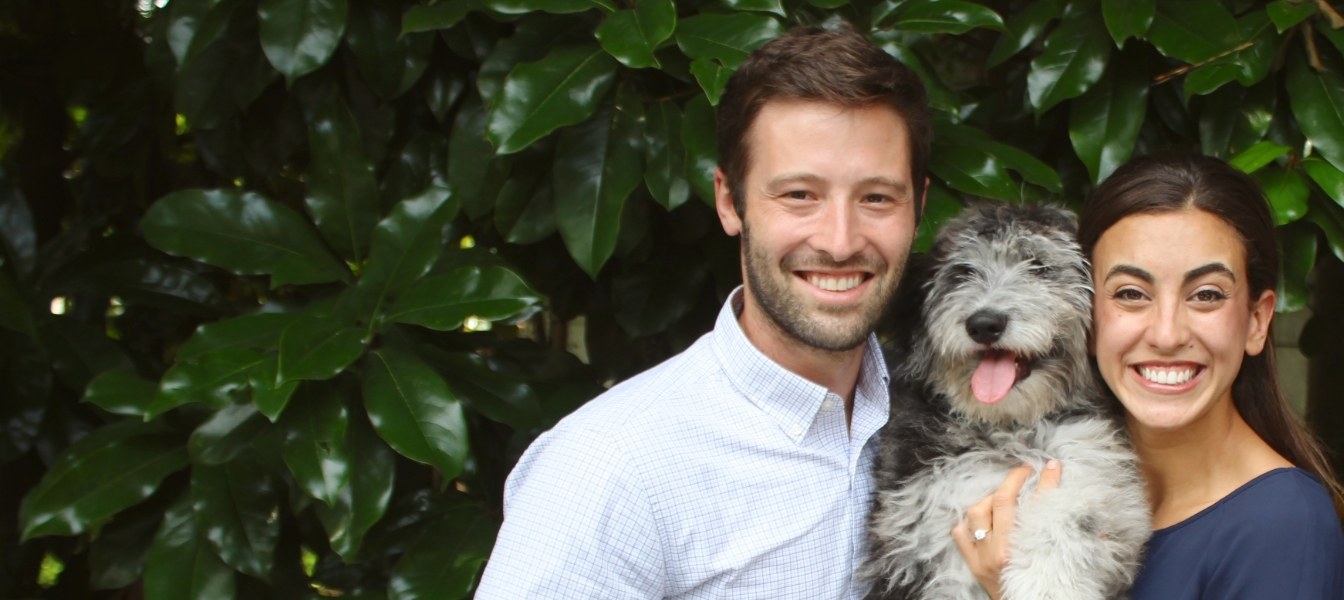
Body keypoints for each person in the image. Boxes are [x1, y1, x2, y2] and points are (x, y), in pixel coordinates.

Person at [474, 21, 931, 599]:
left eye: (876, 198)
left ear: (918, 207)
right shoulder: (609, 466)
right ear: (728, 201)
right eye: (799, 195)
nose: (840, 241)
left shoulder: (947, 414)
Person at [955, 153, 1344, 599]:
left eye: (1206, 295)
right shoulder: (1043, 491)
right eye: (1131, 294)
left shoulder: (1283, 522)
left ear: (1257, 321)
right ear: (1085, 314)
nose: (1166, 334)